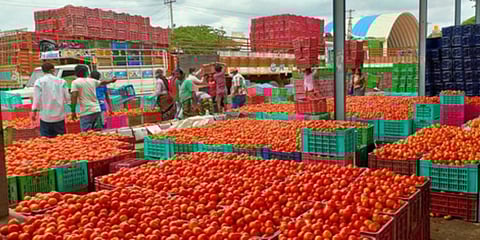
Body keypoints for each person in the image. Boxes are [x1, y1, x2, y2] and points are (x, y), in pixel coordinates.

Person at [70, 65, 117, 132]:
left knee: (86, 134)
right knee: (98, 132)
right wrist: (111, 81)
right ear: (87, 72)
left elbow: (74, 96)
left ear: (76, 73)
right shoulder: (92, 81)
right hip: (96, 110)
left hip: (86, 112)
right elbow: (103, 82)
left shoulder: (75, 82)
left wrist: (73, 111)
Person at [32, 63, 70, 137]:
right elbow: (68, 98)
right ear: (53, 70)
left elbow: (36, 98)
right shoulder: (62, 81)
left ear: (43, 71)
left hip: (45, 117)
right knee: (61, 140)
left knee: (46, 141)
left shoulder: (39, 82)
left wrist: (34, 112)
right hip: (59, 116)